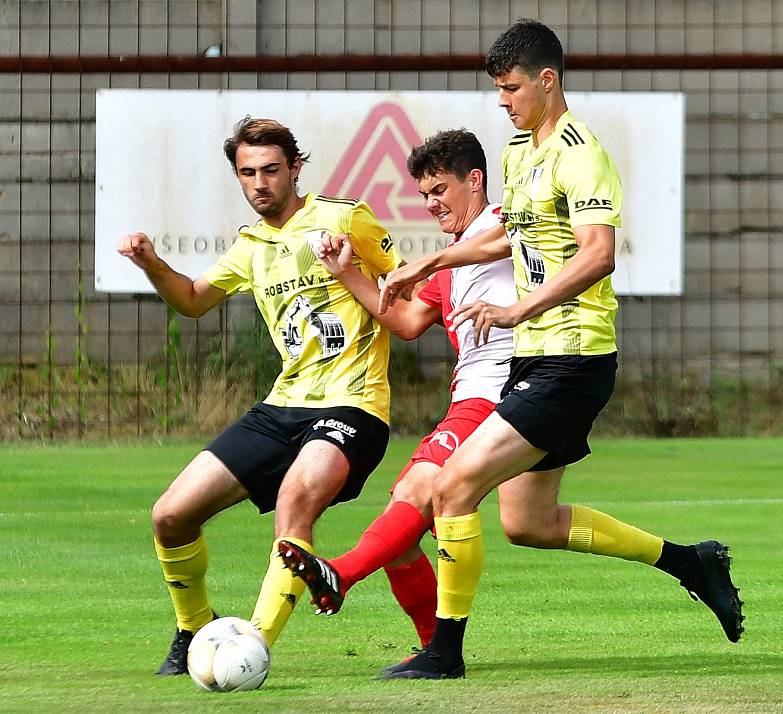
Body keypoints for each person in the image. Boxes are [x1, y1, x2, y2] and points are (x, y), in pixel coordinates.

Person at [373, 19, 744, 679]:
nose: (503, 101)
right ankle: (691, 561)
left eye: (512, 88)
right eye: (498, 90)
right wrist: (430, 262)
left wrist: (519, 307)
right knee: (529, 522)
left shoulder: (582, 155)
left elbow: (598, 256)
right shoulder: (520, 151)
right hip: (535, 361)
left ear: (547, 79)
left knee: (453, 488)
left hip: (574, 362)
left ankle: (444, 654)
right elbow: (505, 241)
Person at [117, 116, 403, 676]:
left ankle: (253, 646)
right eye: (247, 173)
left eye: (271, 170)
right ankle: (193, 628)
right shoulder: (251, 245)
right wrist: (152, 263)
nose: (259, 183)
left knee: (296, 502)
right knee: (170, 515)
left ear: (296, 168)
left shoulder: (345, 218)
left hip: (354, 404)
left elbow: (406, 284)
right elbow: (195, 300)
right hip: (283, 406)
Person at [277, 129, 517, 654]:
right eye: (424, 195)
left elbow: (508, 242)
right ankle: (435, 647)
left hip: (498, 393)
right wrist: (346, 274)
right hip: (472, 396)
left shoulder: (502, 221)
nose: (431, 204)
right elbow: (407, 321)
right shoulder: (455, 256)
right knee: (407, 528)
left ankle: (340, 573)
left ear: (474, 181)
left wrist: (428, 262)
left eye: (440, 190)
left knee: (412, 501)